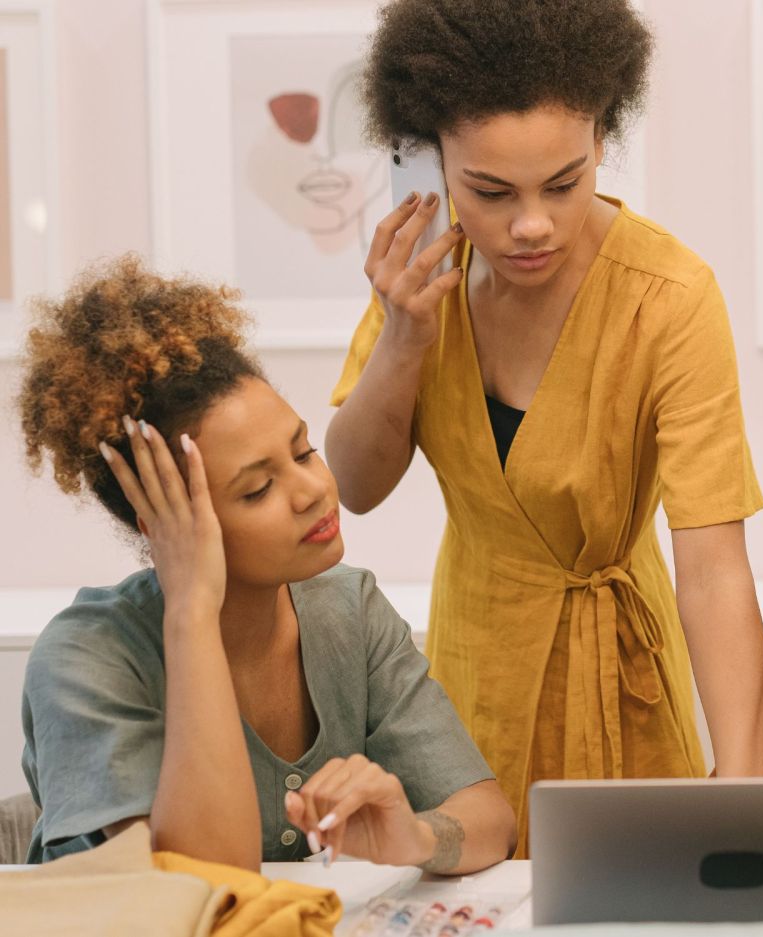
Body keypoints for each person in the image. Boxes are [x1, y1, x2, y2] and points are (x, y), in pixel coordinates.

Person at [327, 0, 763, 852]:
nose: (531, 224)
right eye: (490, 192)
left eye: (563, 184)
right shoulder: (424, 283)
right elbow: (355, 486)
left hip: (621, 682)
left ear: (603, 140)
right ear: (431, 158)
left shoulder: (670, 296)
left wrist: (747, 809)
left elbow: (714, 572)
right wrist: (405, 338)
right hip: (470, 670)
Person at [18, 256, 516, 870]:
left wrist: (414, 836)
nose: (312, 491)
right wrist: (193, 613)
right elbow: (200, 881)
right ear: (163, 524)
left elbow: (489, 821)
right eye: (256, 490)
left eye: (303, 451)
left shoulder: (348, 609)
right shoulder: (86, 658)